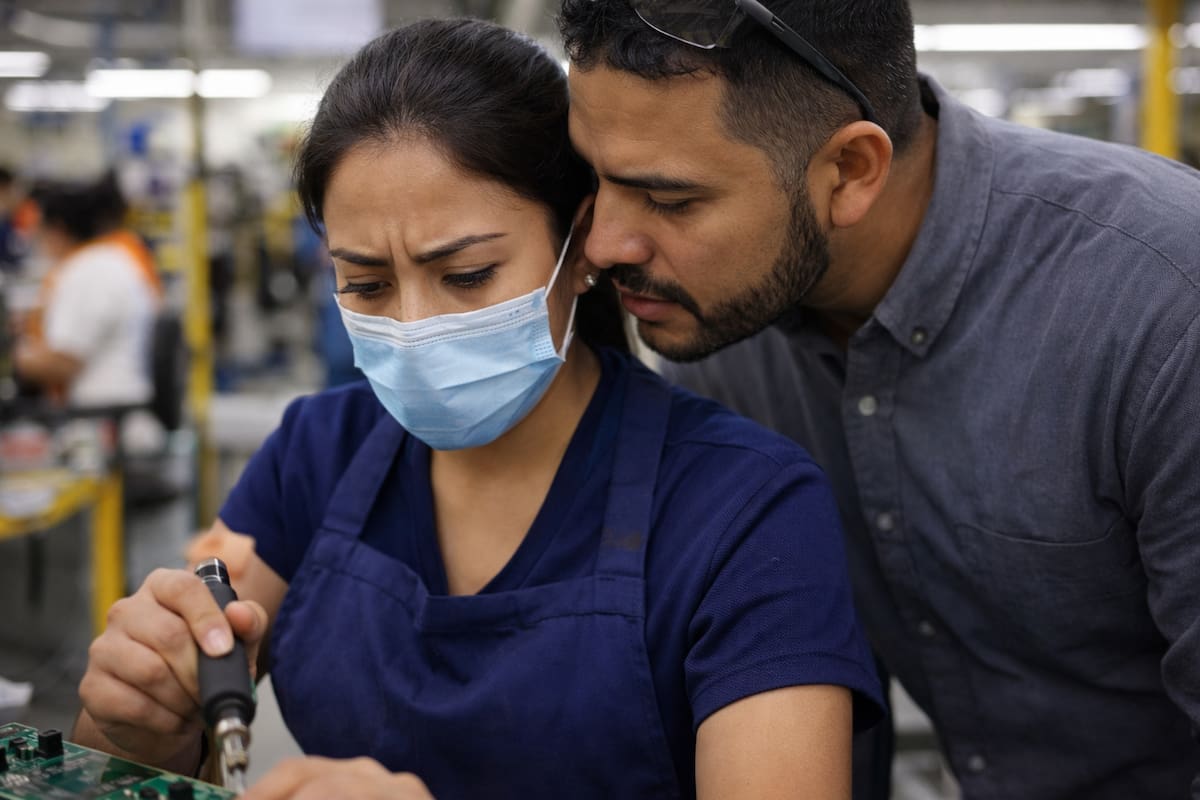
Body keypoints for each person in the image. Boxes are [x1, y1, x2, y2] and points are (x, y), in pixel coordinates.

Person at [72, 19, 883, 800]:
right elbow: (166, 743)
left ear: (579, 249)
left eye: (466, 277)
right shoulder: (315, 456)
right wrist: (142, 722)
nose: (415, 326)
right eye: (366, 284)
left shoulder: (745, 510)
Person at [557, 0, 1200, 798]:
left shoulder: (1165, 308)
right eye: (597, 177)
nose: (604, 244)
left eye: (670, 199)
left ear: (852, 171)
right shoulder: (722, 324)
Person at [15, 174, 162, 410]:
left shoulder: (87, 271)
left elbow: (63, 363)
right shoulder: (110, 259)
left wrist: (15, 359)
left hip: (101, 418)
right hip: (117, 409)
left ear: (57, 230)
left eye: (39, 230)